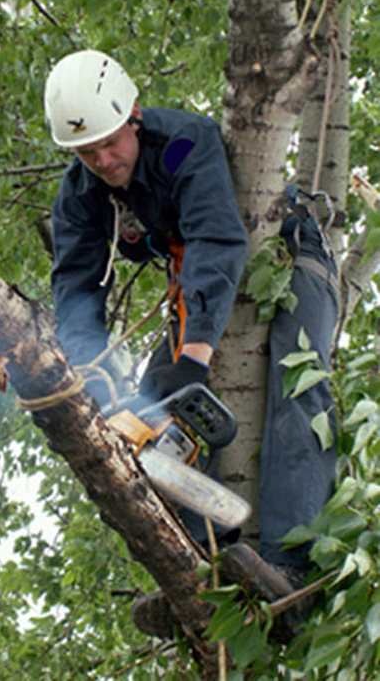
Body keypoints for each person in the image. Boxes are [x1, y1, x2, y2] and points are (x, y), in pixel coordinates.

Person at [44, 50, 337, 638]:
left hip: (287, 261)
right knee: (139, 431)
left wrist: (195, 356)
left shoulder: (183, 142)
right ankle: (202, 570)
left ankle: (292, 574)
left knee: (298, 390)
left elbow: (215, 238)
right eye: (86, 151)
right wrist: (94, 393)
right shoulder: (80, 197)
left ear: (133, 115)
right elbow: (75, 295)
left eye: (110, 143)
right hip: (198, 288)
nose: (103, 160)